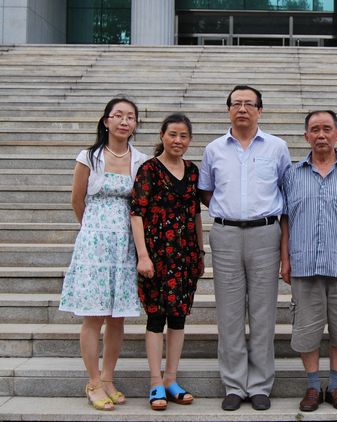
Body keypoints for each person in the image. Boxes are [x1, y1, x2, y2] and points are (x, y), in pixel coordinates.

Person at [198, 85, 291, 411]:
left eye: (249, 104)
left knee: (263, 312)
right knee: (229, 313)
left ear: (259, 110)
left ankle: (261, 384)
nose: (242, 109)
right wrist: (229, 211)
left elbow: (287, 194)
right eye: (236, 103)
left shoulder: (277, 147)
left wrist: (285, 249)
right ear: (228, 109)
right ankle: (235, 384)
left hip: (265, 233)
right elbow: (206, 191)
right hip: (225, 235)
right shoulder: (214, 149)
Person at [280, 110, 337, 412]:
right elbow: (285, 219)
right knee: (305, 328)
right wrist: (284, 258)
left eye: (326, 129)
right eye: (314, 130)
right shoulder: (292, 175)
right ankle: (312, 386)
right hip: (304, 264)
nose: (321, 135)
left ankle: (335, 385)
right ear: (306, 136)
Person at [59, 97, 147, 411]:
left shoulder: (140, 160)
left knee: (117, 317)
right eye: (118, 115)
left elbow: (141, 204)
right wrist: (92, 230)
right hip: (94, 244)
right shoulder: (89, 157)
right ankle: (94, 381)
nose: (124, 121)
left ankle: (108, 377)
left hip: (125, 244)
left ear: (135, 124)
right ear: (106, 120)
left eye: (130, 117)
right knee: (93, 316)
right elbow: (77, 200)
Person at [130, 114, 204, 411]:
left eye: (183, 135)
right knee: (156, 318)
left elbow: (196, 213)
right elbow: (137, 214)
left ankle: (171, 379)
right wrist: (143, 255)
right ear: (162, 135)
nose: (178, 140)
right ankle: (155, 382)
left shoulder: (193, 170)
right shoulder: (148, 169)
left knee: (178, 318)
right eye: (173, 134)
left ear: (190, 139)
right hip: (157, 255)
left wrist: (200, 250)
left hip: (185, 255)